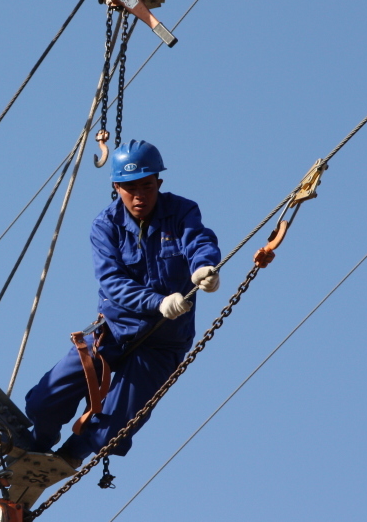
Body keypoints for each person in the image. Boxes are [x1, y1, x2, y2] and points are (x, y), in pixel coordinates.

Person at [24, 139, 221, 466]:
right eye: (130, 187)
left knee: (114, 429)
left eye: (147, 185)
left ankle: (66, 460)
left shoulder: (181, 212)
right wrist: (157, 302)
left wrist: (204, 267)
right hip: (113, 331)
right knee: (44, 402)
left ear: (159, 182)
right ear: (116, 187)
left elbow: (198, 240)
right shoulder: (106, 226)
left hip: (162, 344)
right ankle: (36, 446)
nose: (139, 195)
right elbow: (113, 284)